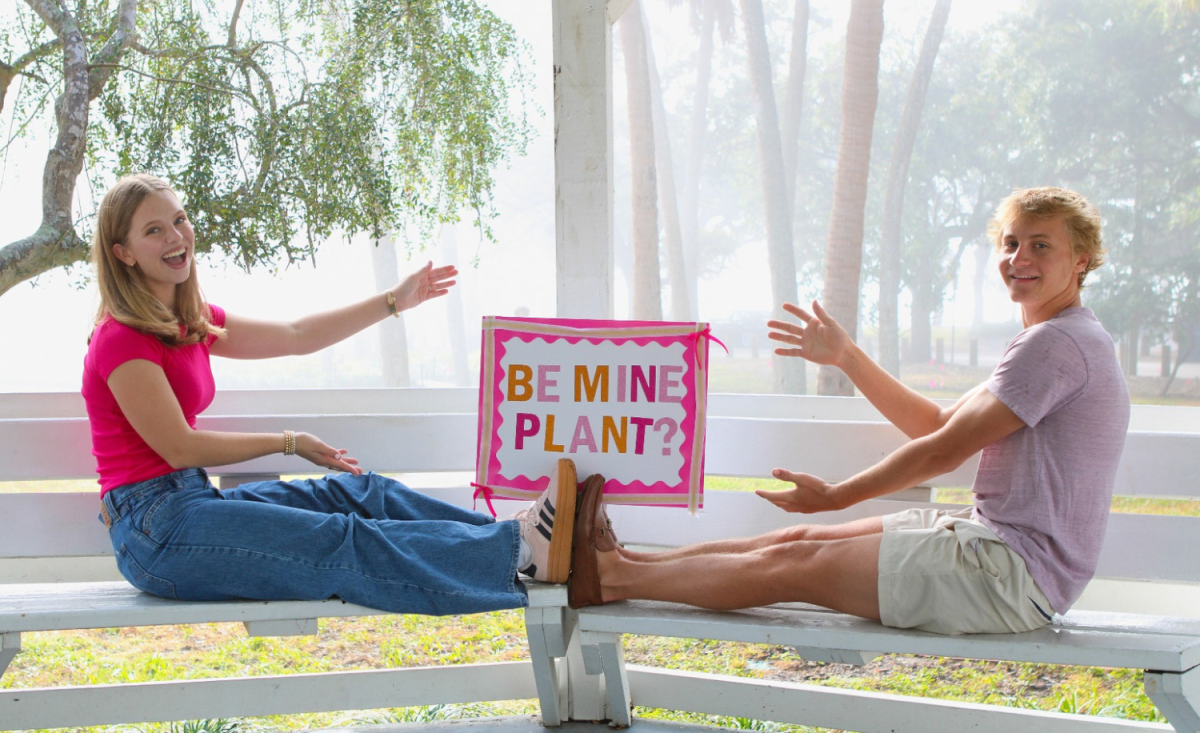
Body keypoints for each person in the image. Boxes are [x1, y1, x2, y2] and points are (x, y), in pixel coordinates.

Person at [569, 187, 1130, 635]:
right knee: (791, 546)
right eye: (1010, 244)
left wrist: (836, 496)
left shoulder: (1056, 345)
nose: (1018, 258)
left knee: (795, 566)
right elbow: (938, 425)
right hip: (993, 549)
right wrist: (846, 356)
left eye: (1040, 245)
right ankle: (622, 566)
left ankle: (612, 577)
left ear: (1081, 260)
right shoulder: (1062, 339)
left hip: (1009, 576)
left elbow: (944, 449)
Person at [83, 173, 578, 615]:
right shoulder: (121, 337)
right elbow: (180, 447)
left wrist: (394, 301)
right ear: (122, 252)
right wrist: (289, 442)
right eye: (154, 230)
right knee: (340, 540)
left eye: (179, 220)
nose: (176, 237)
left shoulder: (191, 320)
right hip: (155, 533)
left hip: (190, 501)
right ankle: (522, 551)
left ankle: (520, 539)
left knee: (354, 493)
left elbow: (298, 335)